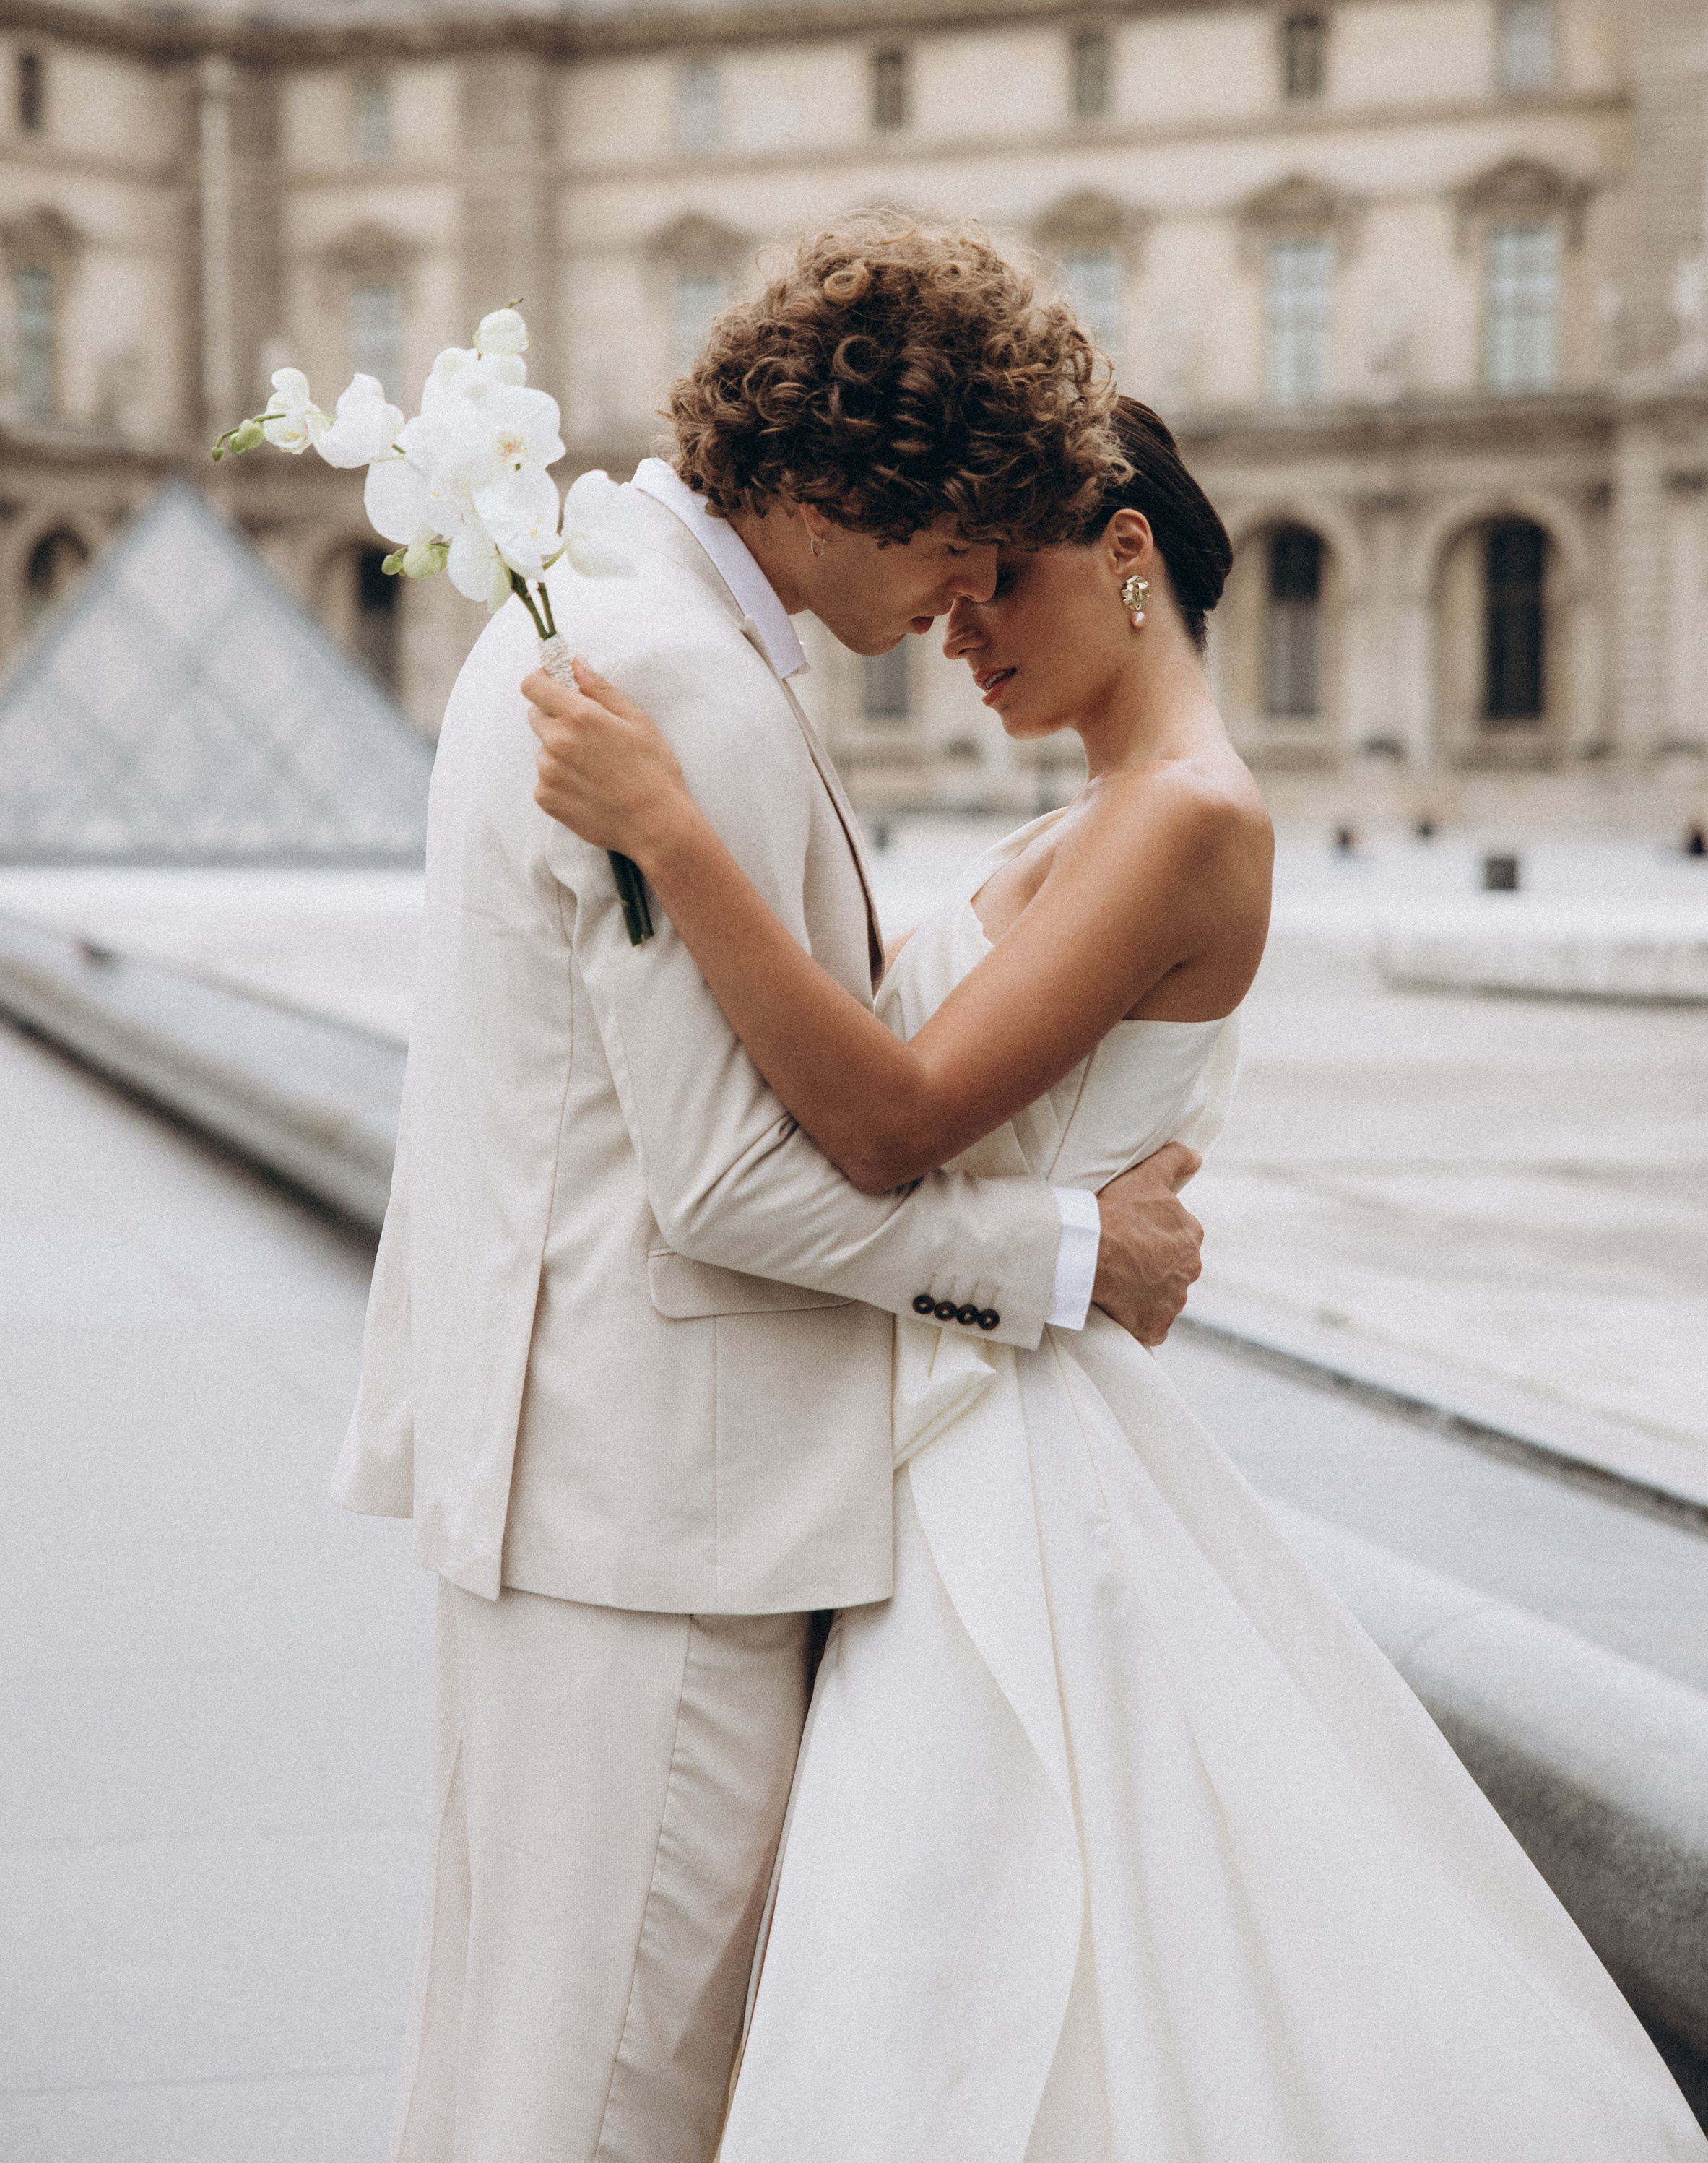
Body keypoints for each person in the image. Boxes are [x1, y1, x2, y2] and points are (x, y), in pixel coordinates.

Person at [526, 395, 1708, 2162]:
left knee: (951, 1958)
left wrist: (670, 833)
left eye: (993, 581)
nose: (956, 631)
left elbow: (889, 1118)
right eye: (946, 593)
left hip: (1004, 1462)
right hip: (961, 1415)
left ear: (1128, 553)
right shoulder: (1102, 811)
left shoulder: (1184, 817)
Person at [331, 216, 1210, 2163]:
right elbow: (732, 1189)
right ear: (852, 495)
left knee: (508, 2065)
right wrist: (1082, 1248)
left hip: (566, 1471)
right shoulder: (687, 687)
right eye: (967, 534)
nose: (974, 590)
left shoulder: (582, 607)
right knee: (621, 2097)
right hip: (664, 1506)